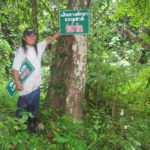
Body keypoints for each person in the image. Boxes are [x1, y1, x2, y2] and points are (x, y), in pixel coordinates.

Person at [12, 28, 60, 132]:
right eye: (29, 36)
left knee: (34, 109)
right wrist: (17, 83)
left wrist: (58, 34)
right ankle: (19, 129)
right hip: (24, 87)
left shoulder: (38, 47)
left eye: (34, 35)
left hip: (36, 86)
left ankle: (32, 126)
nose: (32, 37)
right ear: (24, 38)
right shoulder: (21, 51)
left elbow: (48, 40)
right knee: (22, 109)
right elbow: (15, 68)